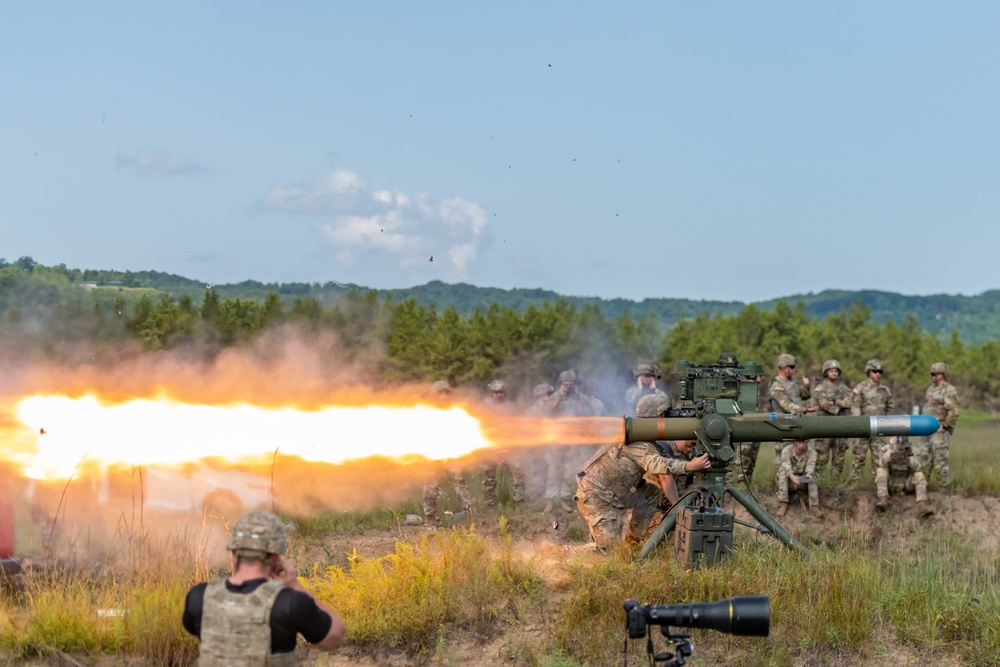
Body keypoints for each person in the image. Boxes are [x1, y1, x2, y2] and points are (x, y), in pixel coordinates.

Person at [182, 512, 346, 664]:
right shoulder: (289, 603)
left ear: (233, 553)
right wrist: (294, 585)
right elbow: (336, 637)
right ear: (275, 558)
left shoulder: (199, 597)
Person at [574, 395, 710, 549]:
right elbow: (656, 464)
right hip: (596, 494)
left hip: (616, 492)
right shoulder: (638, 441)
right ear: (659, 417)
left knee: (650, 494)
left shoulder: (648, 439)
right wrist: (690, 466)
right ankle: (560, 552)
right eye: (666, 415)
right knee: (608, 551)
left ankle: (633, 543)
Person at [542, 370, 595, 514]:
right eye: (565, 385)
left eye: (570, 385)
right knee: (553, 470)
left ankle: (564, 499)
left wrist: (576, 399)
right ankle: (550, 500)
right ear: (560, 385)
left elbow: (587, 416)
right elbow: (547, 415)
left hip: (573, 440)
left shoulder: (581, 398)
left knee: (568, 471)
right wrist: (560, 397)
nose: (568, 387)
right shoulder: (553, 398)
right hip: (556, 439)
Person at [422, 381, 475, 524]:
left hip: (451, 454)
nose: (443, 396)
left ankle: (469, 512)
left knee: (459, 483)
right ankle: (430, 517)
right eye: (440, 393)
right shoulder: (427, 411)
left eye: (446, 392)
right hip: (433, 455)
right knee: (430, 486)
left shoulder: (456, 410)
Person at [481, 379, 527, 506]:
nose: (499, 395)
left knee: (518, 470)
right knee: (489, 477)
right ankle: (490, 503)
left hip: (509, 446)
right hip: (490, 447)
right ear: (491, 393)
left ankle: (519, 501)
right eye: (496, 392)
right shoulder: (484, 406)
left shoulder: (511, 406)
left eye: (501, 392)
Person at [848, 359, 894, 483]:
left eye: (880, 372)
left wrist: (889, 426)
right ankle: (853, 486)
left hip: (879, 429)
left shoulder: (885, 390)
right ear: (869, 372)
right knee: (859, 458)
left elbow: (890, 408)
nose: (878, 374)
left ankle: (879, 486)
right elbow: (855, 406)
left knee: (879, 459)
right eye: (875, 371)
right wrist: (858, 424)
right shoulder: (860, 388)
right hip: (862, 428)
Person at [918, 362, 959, 489]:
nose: (932, 376)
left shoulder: (949, 390)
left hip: (938, 431)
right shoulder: (931, 389)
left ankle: (945, 492)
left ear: (942, 375)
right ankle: (922, 489)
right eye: (931, 374)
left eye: (934, 374)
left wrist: (945, 426)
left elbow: (953, 411)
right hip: (925, 430)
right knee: (924, 460)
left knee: (940, 463)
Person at [811, 359, 853, 477]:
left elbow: (851, 401)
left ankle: (834, 486)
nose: (834, 373)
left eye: (836, 371)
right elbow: (825, 405)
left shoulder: (844, 388)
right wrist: (841, 404)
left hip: (841, 428)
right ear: (826, 372)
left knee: (839, 461)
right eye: (831, 371)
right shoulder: (820, 388)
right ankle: (819, 485)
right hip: (825, 428)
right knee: (821, 460)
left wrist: (835, 402)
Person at [768, 355, 816, 455]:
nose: (794, 370)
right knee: (784, 460)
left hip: (797, 425)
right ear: (784, 367)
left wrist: (806, 386)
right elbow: (786, 405)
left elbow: (804, 396)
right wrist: (805, 410)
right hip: (784, 427)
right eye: (792, 367)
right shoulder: (776, 385)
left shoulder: (793, 382)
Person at [875, 436, 934, 517]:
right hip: (892, 482)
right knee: (881, 470)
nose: (901, 445)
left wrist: (910, 455)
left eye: (903, 443)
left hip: (906, 483)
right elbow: (881, 463)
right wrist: (890, 450)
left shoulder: (913, 450)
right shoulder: (888, 448)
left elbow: (918, 468)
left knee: (919, 475)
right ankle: (883, 500)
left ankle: (921, 506)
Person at [775, 441, 820, 518]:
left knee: (813, 476)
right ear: (796, 442)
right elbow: (786, 466)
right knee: (782, 472)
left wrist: (808, 474)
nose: (802, 444)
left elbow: (811, 465)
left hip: (802, 480)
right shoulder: (787, 450)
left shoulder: (811, 452)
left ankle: (814, 506)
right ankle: (783, 503)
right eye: (800, 442)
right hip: (789, 480)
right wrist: (792, 476)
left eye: (804, 442)